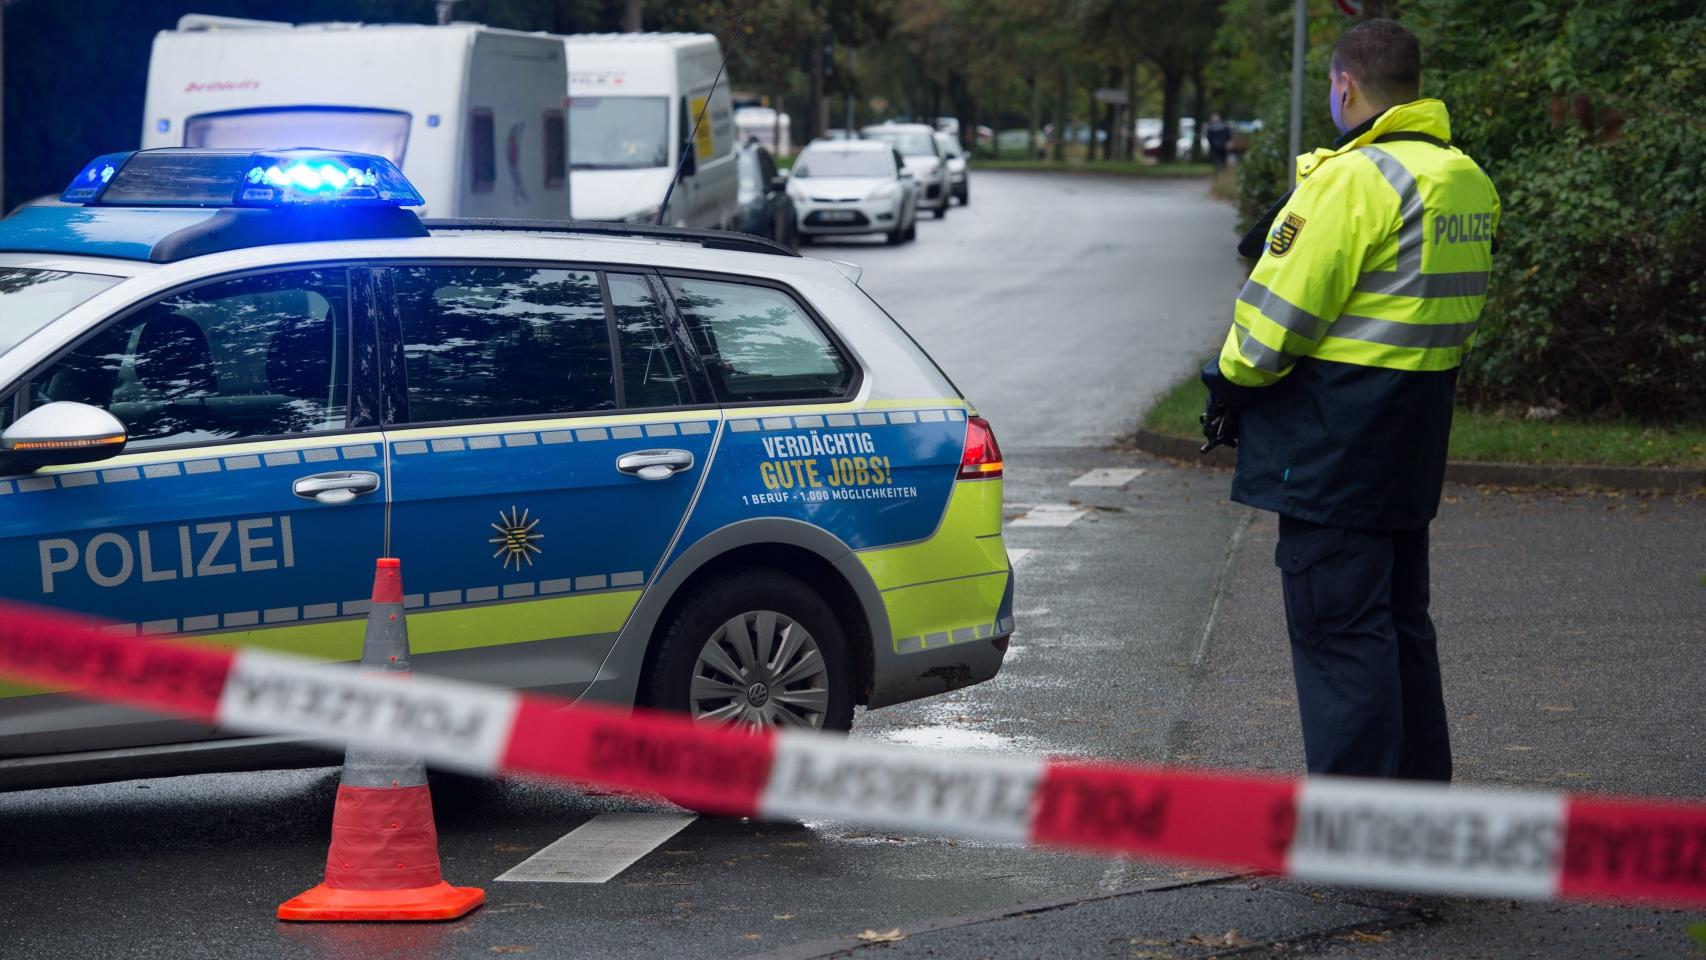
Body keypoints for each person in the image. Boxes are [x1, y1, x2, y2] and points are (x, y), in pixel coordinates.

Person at [1199, 18, 1499, 781]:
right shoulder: (1463, 177)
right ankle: (1417, 809)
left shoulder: (1353, 181)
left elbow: (1272, 326)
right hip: (1411, 438)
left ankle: (1357, 831)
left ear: (1344, 87)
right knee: (1401, 627)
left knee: (1339, 635)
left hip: (1332, 444)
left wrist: (1228, 380)